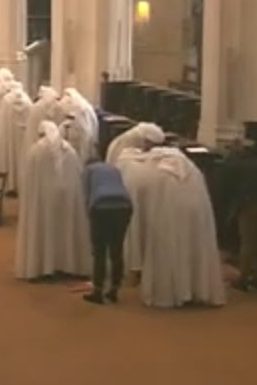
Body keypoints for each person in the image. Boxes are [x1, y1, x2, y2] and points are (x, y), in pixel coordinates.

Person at [116, 146, 226, 308]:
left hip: (165, 220)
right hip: (196, 219)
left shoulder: (150, 172)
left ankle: (171, 293)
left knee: (168, 253)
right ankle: (196, 290)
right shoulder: (192, 170)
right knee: (196, 251)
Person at [15, 121, 91, 280]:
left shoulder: (36, 151)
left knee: (44, 231)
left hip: (42, 201)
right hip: (67, 199)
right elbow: (77, 175)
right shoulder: (69, 150)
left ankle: (42, 266)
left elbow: (28, 180)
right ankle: (67, 264)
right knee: (65, 230)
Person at [217, 138, 257, 291]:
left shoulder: (238, 165)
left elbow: (226, 187)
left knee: (248, 243)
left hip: (251, 206)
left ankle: (243, 279)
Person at [81, 162, 134, 304]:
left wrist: (90, 217)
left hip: (100, 206)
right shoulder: (114, 169)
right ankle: (114, 290)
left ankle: (97, 291)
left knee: (99, 251)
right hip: (124, 206)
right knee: (116, 250)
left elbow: (86, 195)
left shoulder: (88, 170)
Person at [0, 84, 33, 193]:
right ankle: (22, 185)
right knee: (22, 159)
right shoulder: (27, 101)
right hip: (23, 136)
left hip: (9, 138)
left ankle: (10, 185)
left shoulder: (6, 101)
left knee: (10, 158)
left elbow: (1, 122)